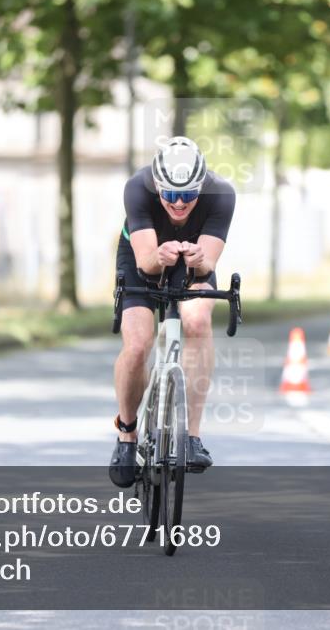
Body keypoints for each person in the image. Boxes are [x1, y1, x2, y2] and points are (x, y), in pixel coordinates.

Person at [109, 136, 237, 488]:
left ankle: (191, 437)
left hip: (193, 260)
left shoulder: (221, 194)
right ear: (157, 184)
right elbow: (145, 263)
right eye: (169, 194)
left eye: (188, 195)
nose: (179, 203)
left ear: (201, 186)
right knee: (138, 343)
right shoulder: (138, 187)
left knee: (197, 320)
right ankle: (127, 434)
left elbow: (208, 263)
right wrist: (159, 257)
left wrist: (198, 260)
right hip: (143, 256)